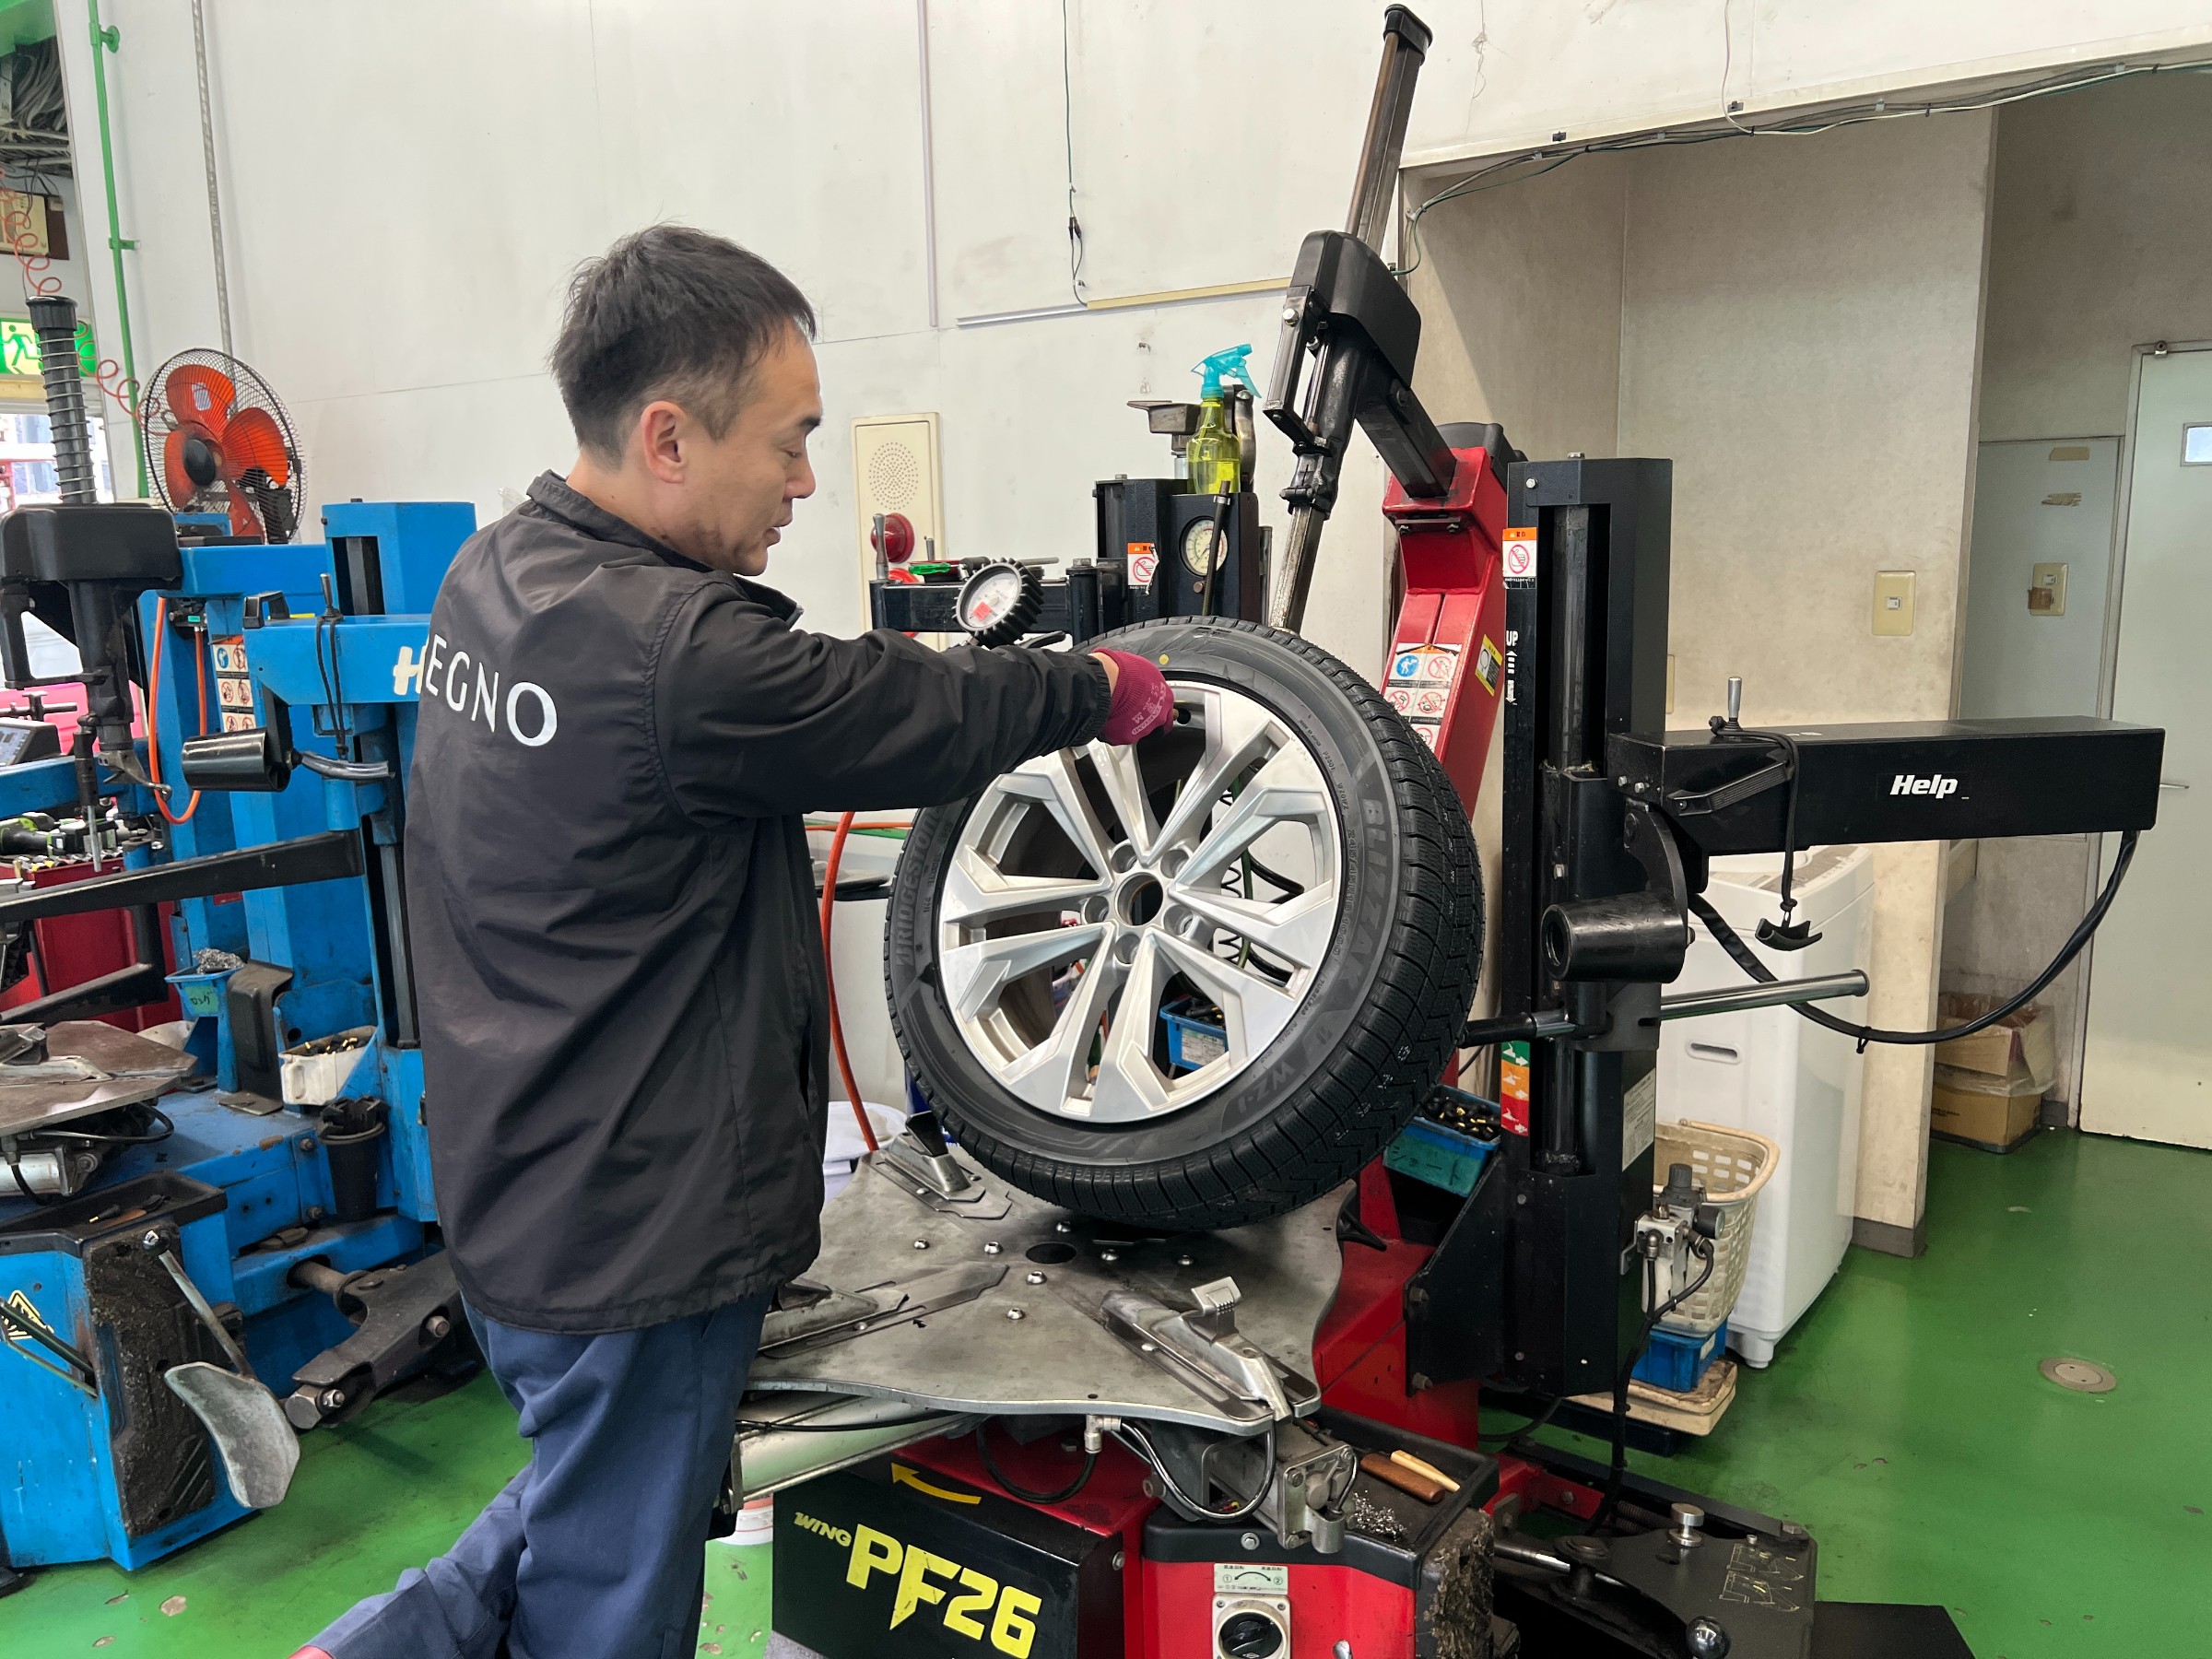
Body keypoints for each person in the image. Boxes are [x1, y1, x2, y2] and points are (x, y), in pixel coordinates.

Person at [294, 225, 1173, 1659]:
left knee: (597, 1481)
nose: (807, 480)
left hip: (524, 1188)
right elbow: (904, 709)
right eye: (790, 440)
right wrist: (1091, 684)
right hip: (634, 1240)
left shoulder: (493, 576)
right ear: (667, 437)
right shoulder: (676, 653)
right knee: (613, 1597)